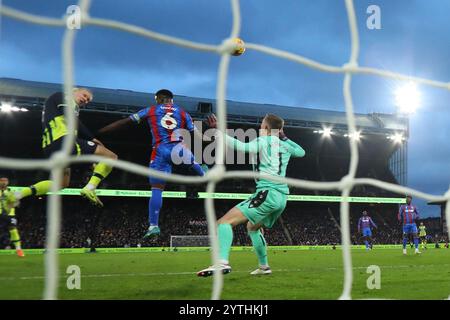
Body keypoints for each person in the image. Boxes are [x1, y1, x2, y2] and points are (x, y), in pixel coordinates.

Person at [197, 113, 305, 277]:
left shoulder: (262, 141)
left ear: (267, 128)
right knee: (252, 227)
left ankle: (222, 262)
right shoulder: (286, 145)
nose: (260, 127)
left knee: (223, 223)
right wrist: (284, 137)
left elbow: (242, 147)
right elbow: (301, 152)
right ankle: (264, 267)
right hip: (281, 197)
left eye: (262, 124)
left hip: (267, 193)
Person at [97, 89, 207, 238]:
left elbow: (126, 122)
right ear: (171, 100)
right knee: (189, 155)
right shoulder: (182, 112)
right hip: (179, 149)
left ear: (158, 99)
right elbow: (198, 136)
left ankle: (153, 226)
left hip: (160, 151)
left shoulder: (151, 110)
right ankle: (202, 172)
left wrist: (100, 132)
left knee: (157, 189)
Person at [6, 88, 117, 208]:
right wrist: (92, 138)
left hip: (51, 147)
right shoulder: (62, 96)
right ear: (74, 91)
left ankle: (18, 194)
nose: (85, 100)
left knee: (61, 183)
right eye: (85, 96)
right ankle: (90, 188)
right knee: (111, 156)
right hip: (62, 142)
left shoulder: (66, 107)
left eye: (88, 100)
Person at [0, 176, 24, 257]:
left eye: (5, 181)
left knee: (13, 230)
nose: (3, 182)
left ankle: (19, 249)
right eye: (2, 181)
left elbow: (17, 203)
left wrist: (15, 202)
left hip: (10, 214)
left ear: (8, 182)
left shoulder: (11, 192)